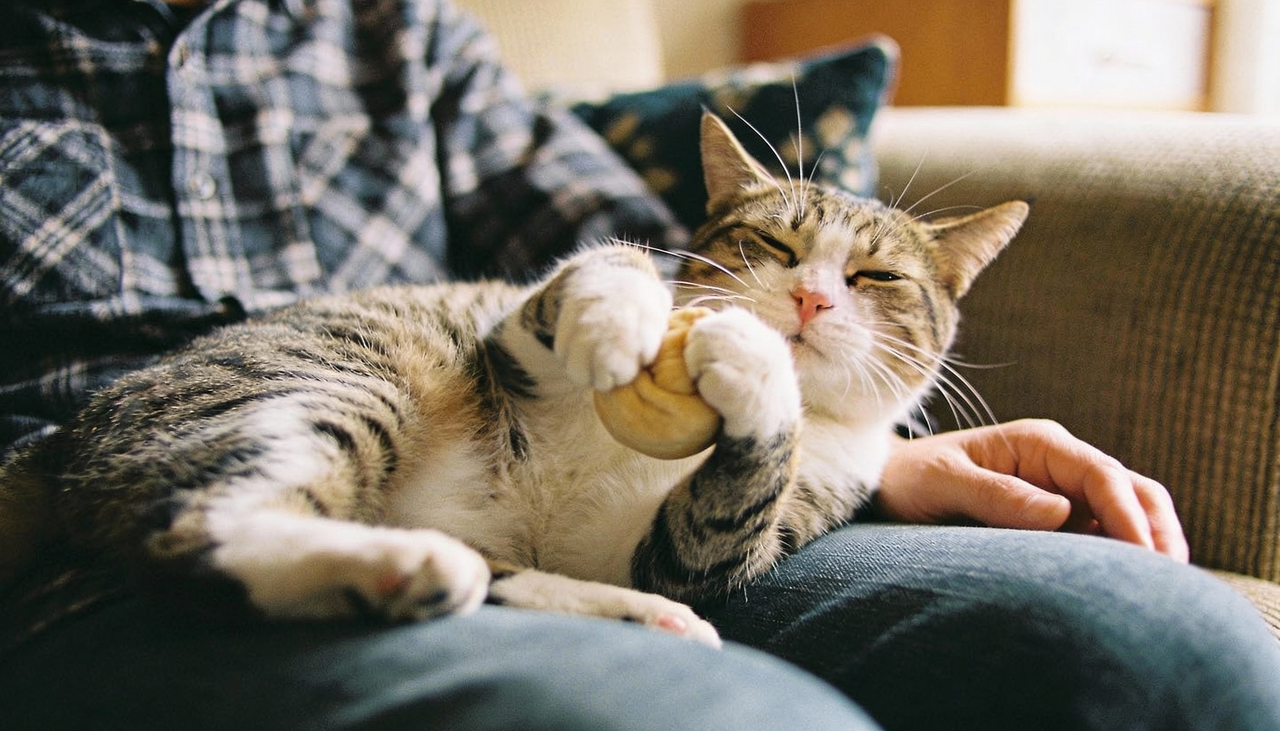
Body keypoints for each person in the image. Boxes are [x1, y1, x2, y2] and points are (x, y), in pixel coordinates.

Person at [1, 1, 1277, 729]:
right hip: (103, 522)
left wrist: (872, 443)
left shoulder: (401, 32)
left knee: (1167, 652)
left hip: (568, 487)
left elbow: (672, 265)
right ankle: (241, 529)